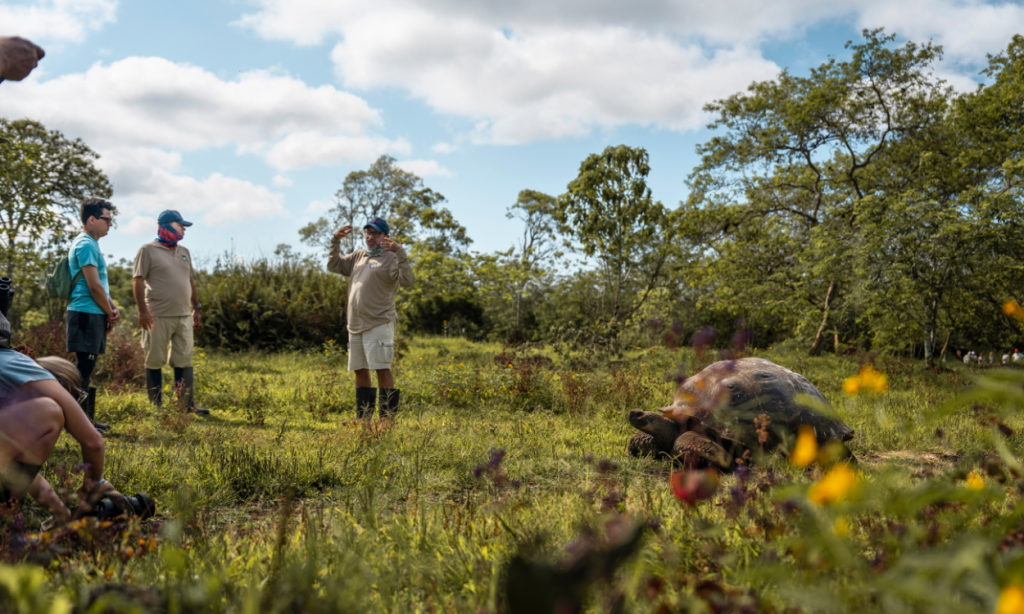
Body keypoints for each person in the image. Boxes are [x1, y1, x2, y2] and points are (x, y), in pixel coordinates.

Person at [0, 336, 122, 523]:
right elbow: (93, 442)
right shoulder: (22, 366)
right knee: (50, 412)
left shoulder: (9, 377)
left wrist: (61, 514)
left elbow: (22, 471)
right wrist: (93, 485)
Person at [328, 218, 415, 419]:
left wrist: (400, 253)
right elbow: (334, 265)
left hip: (379, 322)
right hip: (355, 325)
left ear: (385, 236)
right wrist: (335, 241)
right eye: (368, 233)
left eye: (375, 233)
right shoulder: (359, 256)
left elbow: (407, 281)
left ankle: (386, 420)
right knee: (360, 370)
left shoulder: (391, 258)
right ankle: (363, 420)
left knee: (382, 369)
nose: (370, 237)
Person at [132, 210, 207, 415]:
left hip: (183, 316)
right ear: (165, 225)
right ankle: (156, 407)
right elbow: (137, 280)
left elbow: (190, 281)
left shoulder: (184, 251)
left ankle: (186, 405)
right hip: (157, 315)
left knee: (184, 359)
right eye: (180, 225)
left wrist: (196, 308)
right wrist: (142, 311)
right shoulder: (147, 250)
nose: (183, 229)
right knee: (154, 359)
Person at [67, 199, 120, 433]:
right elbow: (94, 286)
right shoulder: (86, 245)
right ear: (92, 220)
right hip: (85, 313)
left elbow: (101, 287)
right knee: (82, 369)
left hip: (92, 312)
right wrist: (109, 312)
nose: (110, 224)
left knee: (86, 368)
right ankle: (79, 424)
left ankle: (86, 419)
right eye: (107, 219)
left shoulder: (91, 245)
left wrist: (112, 308)